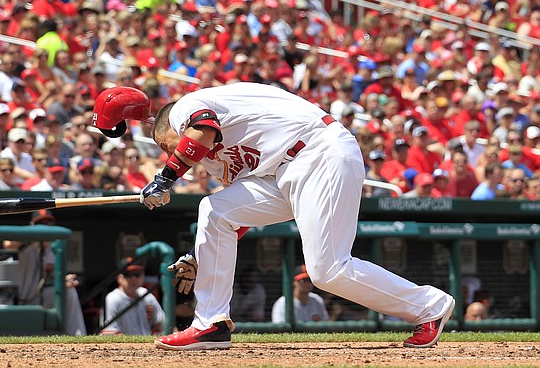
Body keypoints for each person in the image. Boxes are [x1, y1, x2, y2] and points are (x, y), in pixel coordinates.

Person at [91, 84, 455, 351]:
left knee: (327, 270)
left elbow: (201, 130)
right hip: (285, 171)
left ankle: (429, 306)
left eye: (168, 146)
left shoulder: (188, 107)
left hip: (318, 151)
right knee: (216, 211)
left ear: (168, 128)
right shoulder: (221, 158)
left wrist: (165, 177)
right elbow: (240, 217)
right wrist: (203, 258)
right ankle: (210, 324)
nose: (177, 153)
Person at [100, 259, 164, 335]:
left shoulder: (146, 295)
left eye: (137, 274)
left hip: (146, 343)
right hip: (123, 346)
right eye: (128, 275)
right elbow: (110, 332)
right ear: (119, 278)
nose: (133, 278)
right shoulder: (113, 298)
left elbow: (162, 324)